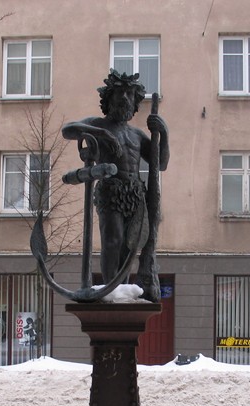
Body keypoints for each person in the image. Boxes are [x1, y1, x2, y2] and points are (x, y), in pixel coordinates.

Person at [62, 71, 170, 298]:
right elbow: (68, 130)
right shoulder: (98, 124)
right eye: (120, 93)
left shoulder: (136, 135)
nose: (125, 98)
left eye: (130, 94)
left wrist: (164, 133)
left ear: (136, 101)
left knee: (129, 247)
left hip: (135, 194)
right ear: (109, 98)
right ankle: (112, 290)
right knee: (113, 241)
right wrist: (100, 133)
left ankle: (121, 290)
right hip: (111, 190)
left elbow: (161, 163)